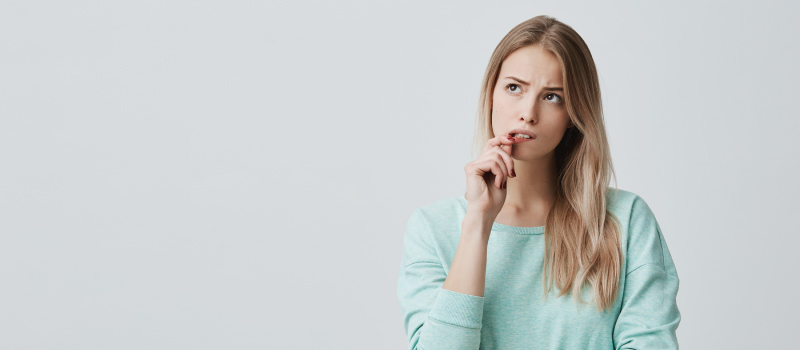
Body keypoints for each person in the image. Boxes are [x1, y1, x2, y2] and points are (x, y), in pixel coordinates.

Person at [396, 15, 680, 350]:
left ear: (574, 114)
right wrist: (477, 225)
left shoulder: (625, 221)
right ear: (491, 95)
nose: (528, 112)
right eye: (514, 88)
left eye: (552, 96)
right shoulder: (433, 229)